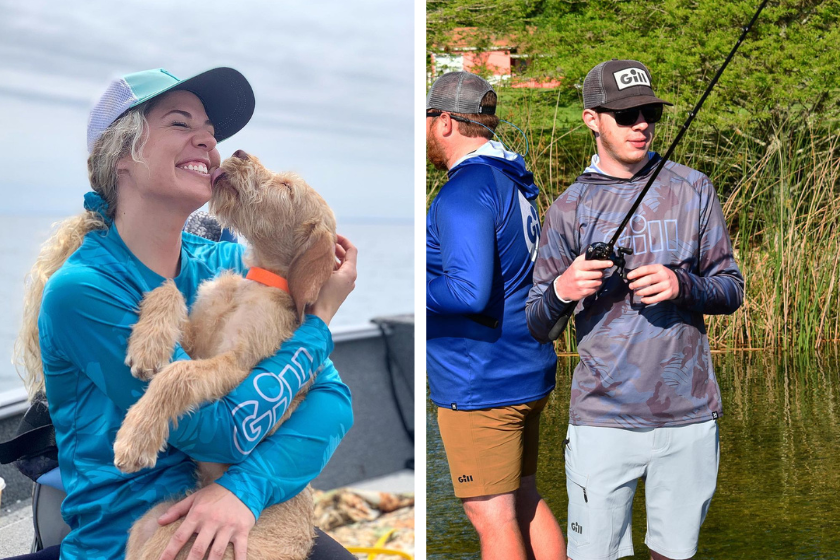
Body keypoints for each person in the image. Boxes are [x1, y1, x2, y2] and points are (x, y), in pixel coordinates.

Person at [11, 67, 358, 560]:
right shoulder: (85, 290)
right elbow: (219, 431)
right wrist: (319, 323)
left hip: (239, 510)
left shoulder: (226, 264)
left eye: (211, 134)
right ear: (121, 156)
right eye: (180, 124)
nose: (210, 144)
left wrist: (245, 490)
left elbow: (332, 401)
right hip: (135, 536)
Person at [526, 59, 745, 560]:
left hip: (689, 415)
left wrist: (681, 283)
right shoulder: (568, 208)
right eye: (626, 115)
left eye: (649, 112)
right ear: (592, 120)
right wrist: (563, 288)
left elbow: (731, 290)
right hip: (602, 419)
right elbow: (538, 324)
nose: (641, 124)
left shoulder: (694, 188)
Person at [426, 71, 565, 560]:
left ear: (444, 122)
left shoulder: (465, 190)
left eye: (425, 120)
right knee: (522, 497)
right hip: (524, 371)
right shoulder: (510, 178)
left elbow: (466, 292)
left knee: (492, 516)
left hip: (479, 381)